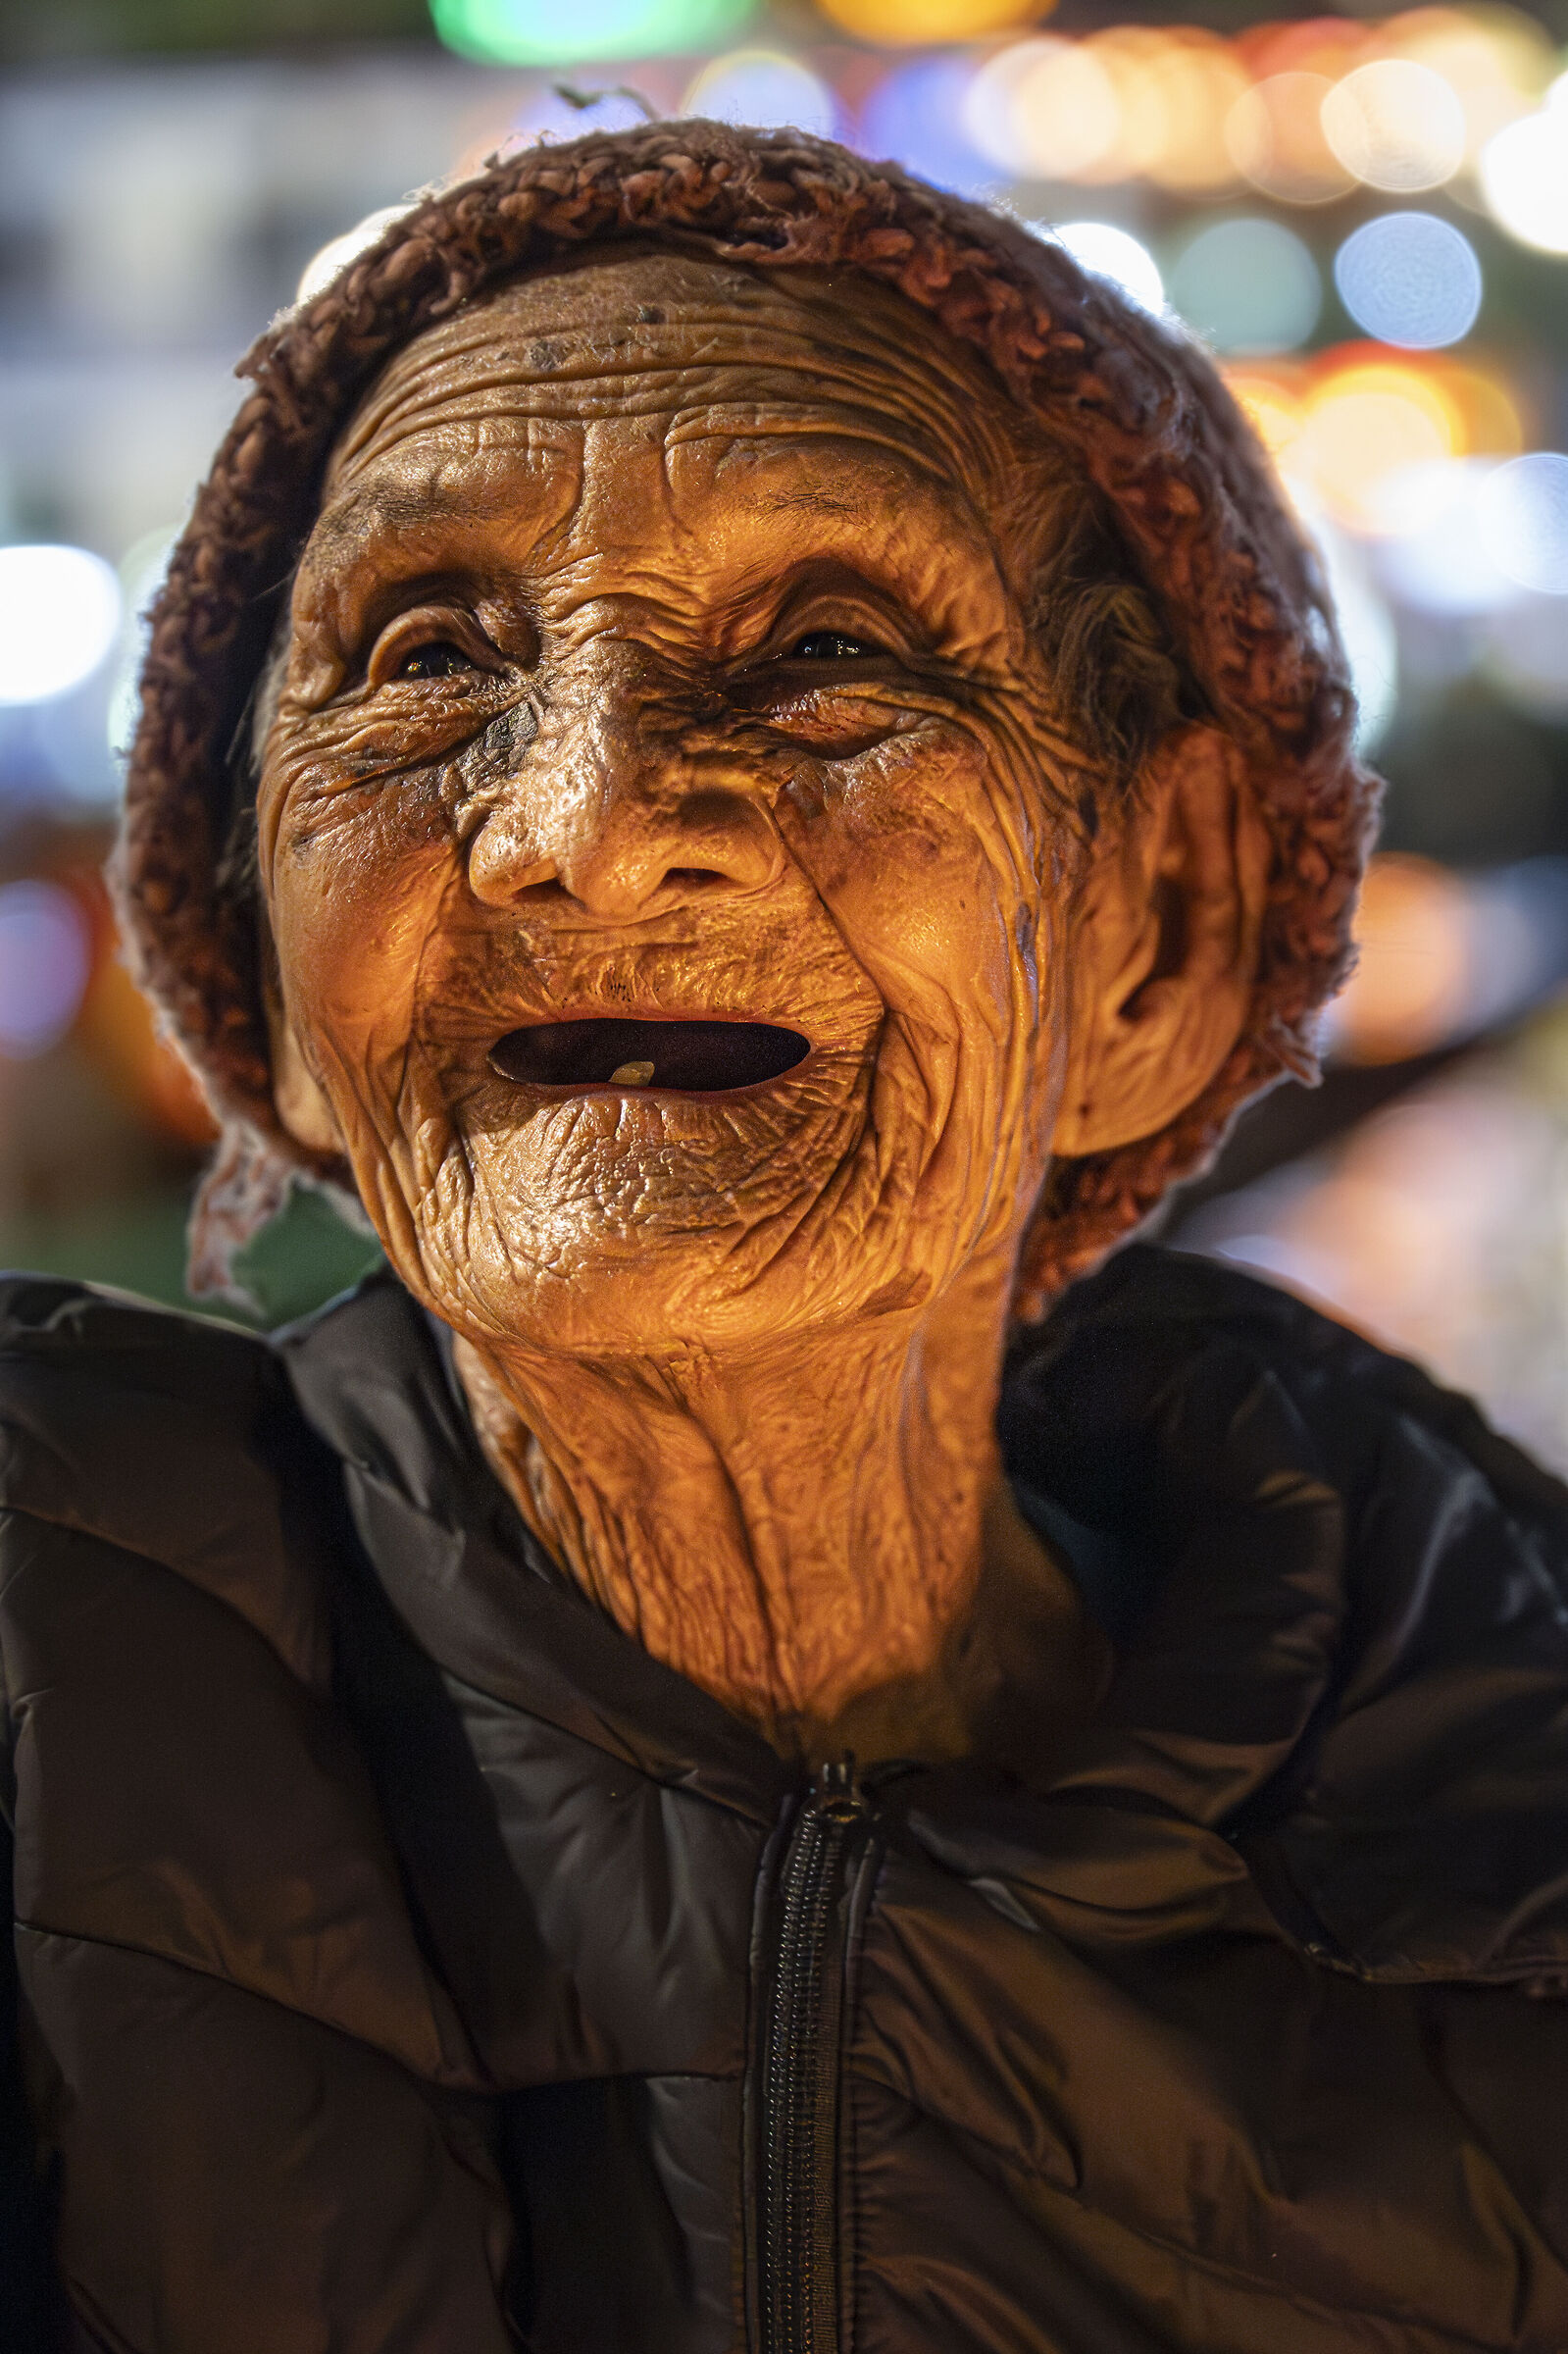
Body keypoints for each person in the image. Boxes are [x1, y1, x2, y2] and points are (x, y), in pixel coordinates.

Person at [4, 120, 1567, 2354]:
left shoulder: (1497, 1820)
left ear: (1154, 937)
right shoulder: (43, 1666)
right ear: (269, 973)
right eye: (427, 651)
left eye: (829, 649)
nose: (576, 828)